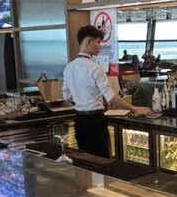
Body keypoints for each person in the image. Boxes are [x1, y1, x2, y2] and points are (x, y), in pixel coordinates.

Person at [62, 25, 154, 158]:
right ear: (88, 42)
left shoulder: (68, 67)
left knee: (86, 160)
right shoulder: (95, 67)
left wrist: (82, 99)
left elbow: (67, 96)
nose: (100, 46)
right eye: (98, 42)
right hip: (95, 120)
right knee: (103, 161)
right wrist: (135, 108)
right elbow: (110, 97)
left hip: (79, 121)